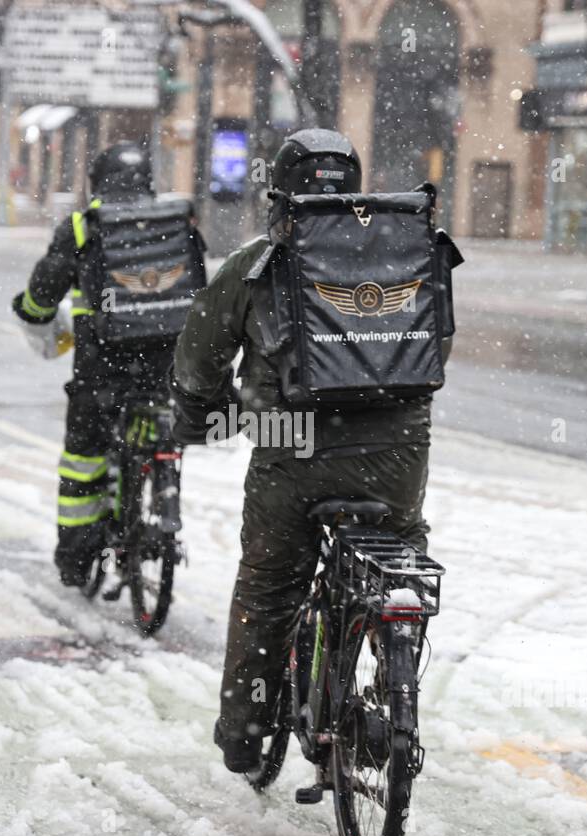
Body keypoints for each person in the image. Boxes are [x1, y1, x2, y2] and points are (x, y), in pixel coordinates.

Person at [168, 129, 442, 773]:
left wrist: (203, 416)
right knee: (400, 565)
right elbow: (434, 350)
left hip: (291, 455)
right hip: (396, 453)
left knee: (269, 588)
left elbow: (201, 357)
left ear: (278, 194)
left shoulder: (258, 262)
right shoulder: (410, 255)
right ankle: (389, 678)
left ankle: (246, 726)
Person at [12, 142, 189, 587]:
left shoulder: (83, 225)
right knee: (154, 431)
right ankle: (155, 493)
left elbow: (46, 287)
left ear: (97, 181)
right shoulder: (170, 221)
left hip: (102, 369)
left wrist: (32, 311)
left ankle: (76, 558)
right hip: (162, 366)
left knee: (83, 459)